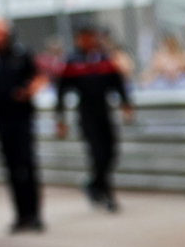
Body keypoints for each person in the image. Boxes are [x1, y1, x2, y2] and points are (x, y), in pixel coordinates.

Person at [0, 18, 45, 233]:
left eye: (1, 32)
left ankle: (35, 215)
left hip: (23, 118)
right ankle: (20, 215)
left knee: (28, 165)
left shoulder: (22, 54)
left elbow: (40, 77)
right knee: (11, 168)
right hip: (1, 120)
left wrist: (28, 92)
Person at [56, 26, 132, 211]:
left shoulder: (105, 59)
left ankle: (93, 184)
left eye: (91, 37)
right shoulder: (72, 62)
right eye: (84, 38)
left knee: (111, 153)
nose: (88, 41)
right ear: (78, 40)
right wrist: (60, 119)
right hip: (86, 115)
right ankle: (107, 194)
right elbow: (61, 92)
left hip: (105, 112)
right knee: (97, 154)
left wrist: (126, 104)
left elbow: (118, 83)